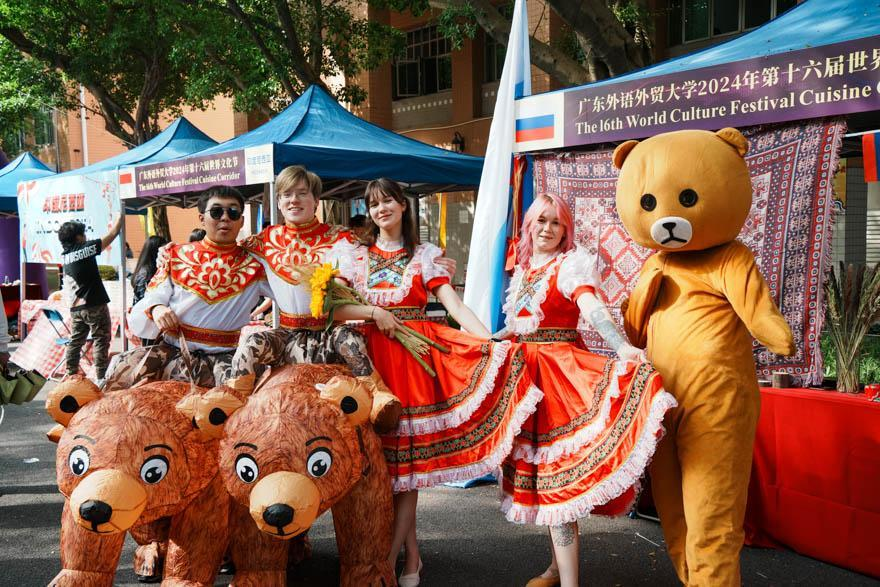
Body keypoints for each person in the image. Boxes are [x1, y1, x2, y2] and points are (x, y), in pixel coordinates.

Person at [326, 179, 541, 587]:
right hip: (371, 366)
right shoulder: (354, 256)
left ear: (403, 206)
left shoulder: (424, 255)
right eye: (373, 204)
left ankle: (388, 563)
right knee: (386, 469)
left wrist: (487, 340)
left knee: (407, 470)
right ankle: (412, 558)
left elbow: (454, 305)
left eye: (387, 201)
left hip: (413, 364)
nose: (381, 209)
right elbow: (334, 310)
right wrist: (374, 313)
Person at [495, 194, 676, 587]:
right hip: (527, 380)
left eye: (555, 222)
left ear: (565, 230)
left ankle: (569, 582)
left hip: (560, 379)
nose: (547, 229)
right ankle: (555, 568)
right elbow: (521, 325)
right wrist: (492, 340)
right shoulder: (525, 270)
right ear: (529, 225)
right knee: (542, 480)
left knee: (558, 485)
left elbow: (591, 307)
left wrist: (621, 346)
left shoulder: (570, 265)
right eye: (541, 221)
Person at [103, 186, 272, 390]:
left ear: (242, 221)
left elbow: (291, 293)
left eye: (233, 212)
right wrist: (156, 309)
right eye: (216, 211)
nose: (225, 218)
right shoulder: (176, 256)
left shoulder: (256, 264)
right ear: (202, 218)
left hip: (227, 364)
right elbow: (152, 299)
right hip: (173, 358)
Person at [58, 214, 124, 380]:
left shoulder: (66, 256)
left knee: (76, 341)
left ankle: (71, 375)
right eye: (83, 234)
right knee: (101, 339)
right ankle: (101, 378)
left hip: (76, 308)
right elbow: (113, 233)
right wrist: (120, 215)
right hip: (94, 304)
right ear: (78, 237)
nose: (86, 237)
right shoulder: (84, 249)